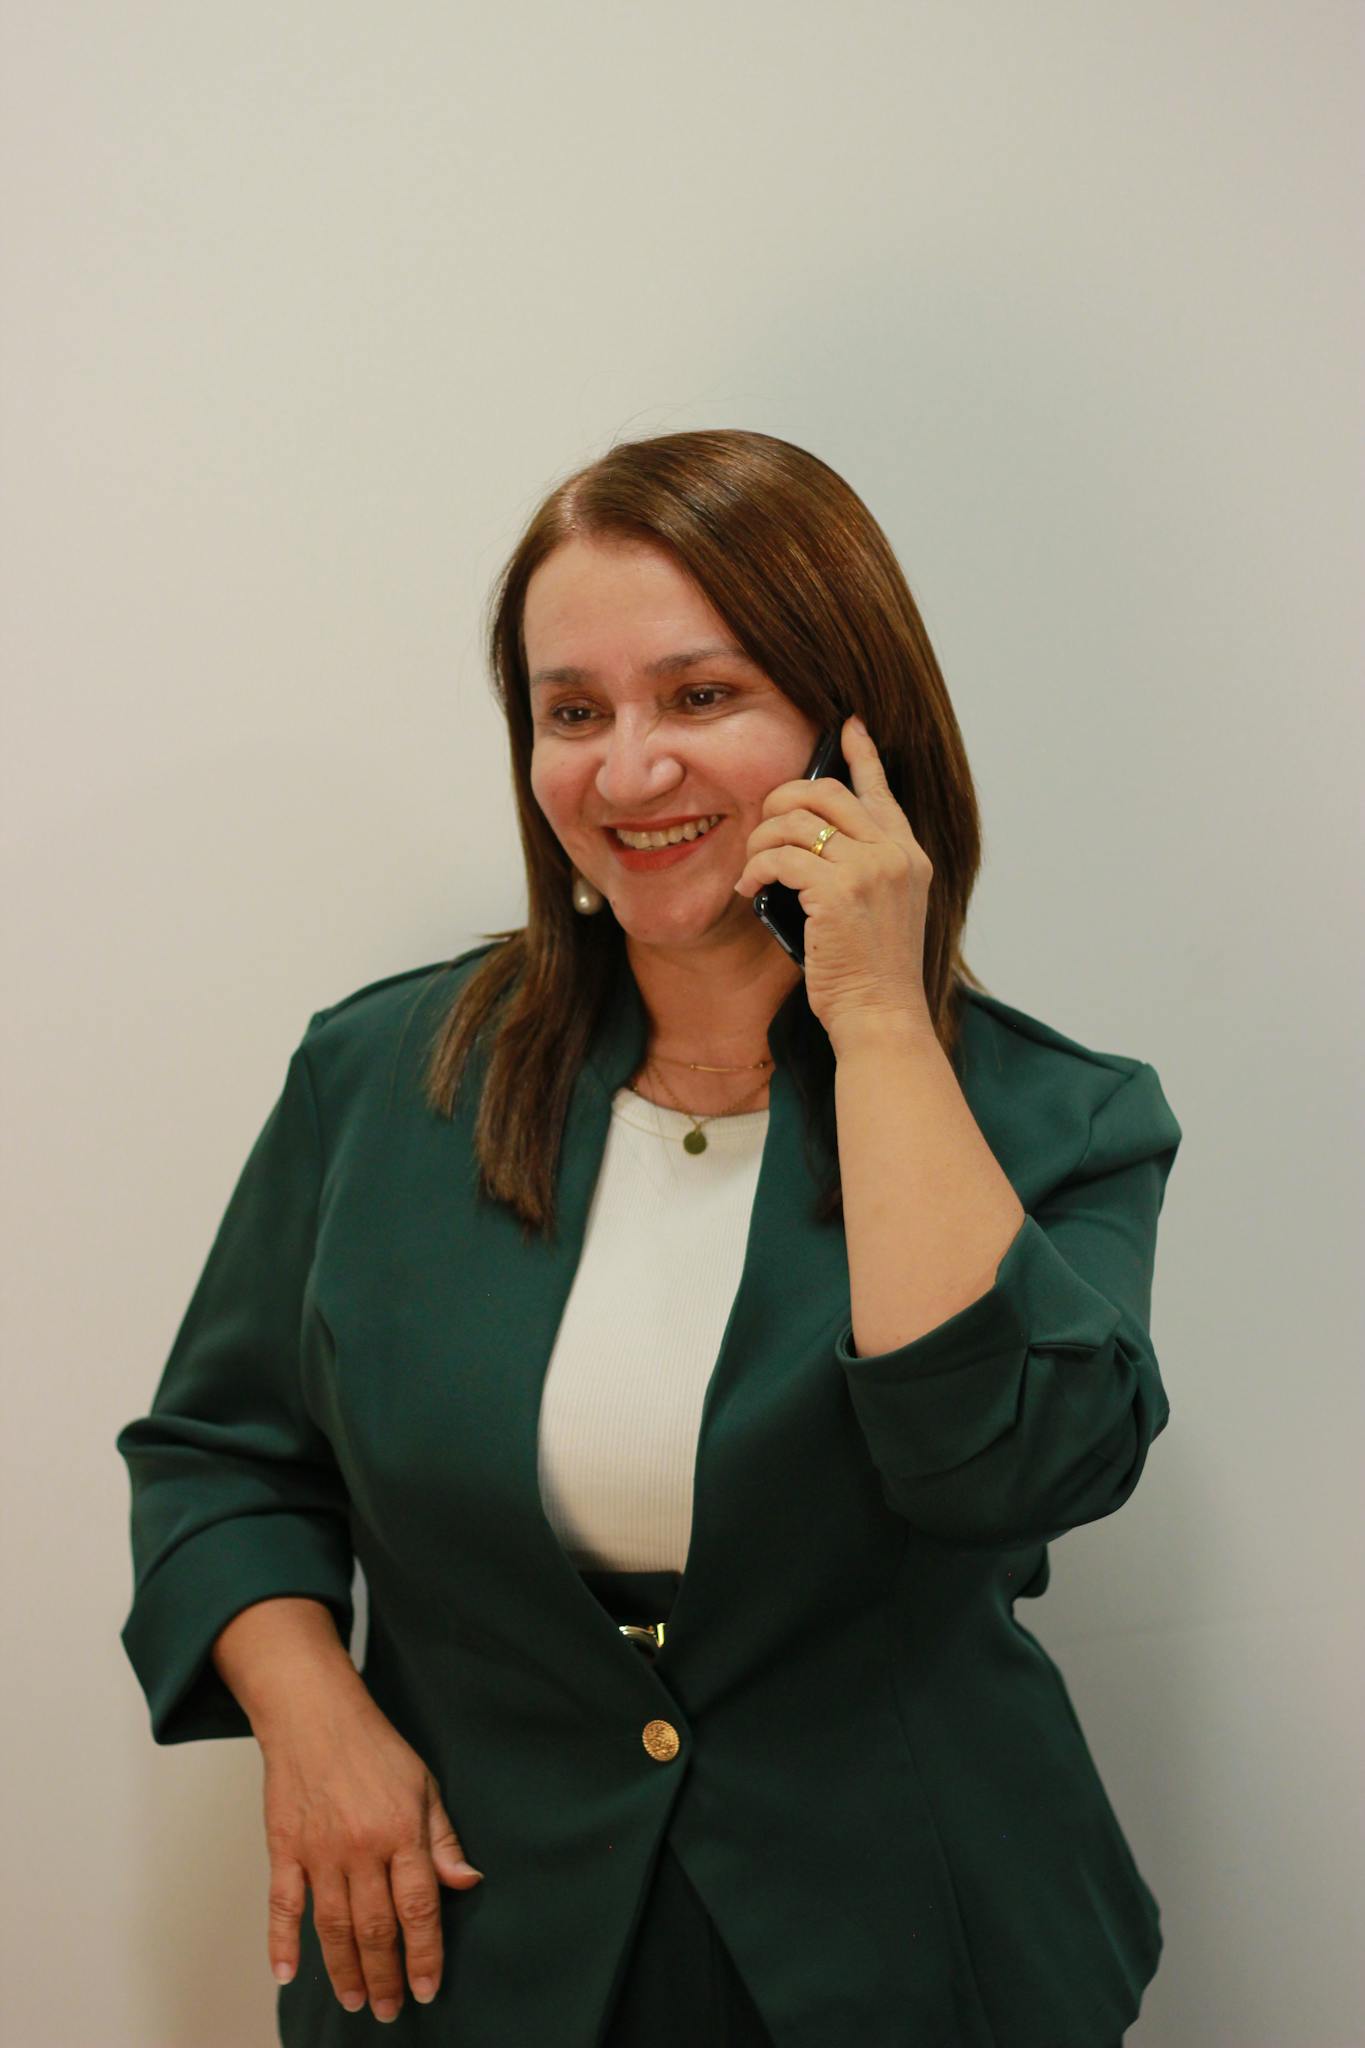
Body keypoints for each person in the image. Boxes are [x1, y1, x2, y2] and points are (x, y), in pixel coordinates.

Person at [116, 428, 1181, 2047]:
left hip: (908, 1957)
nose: (625, 772)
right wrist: (311, 1715)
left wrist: (880, 1021)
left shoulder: (1059, 1121)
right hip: (471, 1952)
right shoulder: (379, 1077)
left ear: (851, 725)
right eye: (572, 713)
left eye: (699, 697)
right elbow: (218, 1458)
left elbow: (1006, 1473)